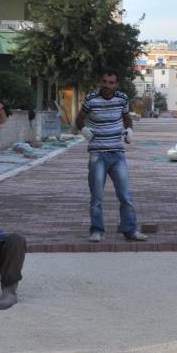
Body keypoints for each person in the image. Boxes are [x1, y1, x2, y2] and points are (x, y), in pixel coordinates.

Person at [75, 71, 146, 243]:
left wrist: (129, 130)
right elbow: (79, 119)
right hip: (97, 154)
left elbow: (126, 118)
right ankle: (97, 230)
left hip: (117, 154)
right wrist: (83, 130)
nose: (107, 85)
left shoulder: (122, 98)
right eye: (105, 82)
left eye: (111, 82)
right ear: (101, 82)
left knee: (125, 195)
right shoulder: (91, 99)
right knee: (97, 196)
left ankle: (130, 230)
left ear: (116, 84)